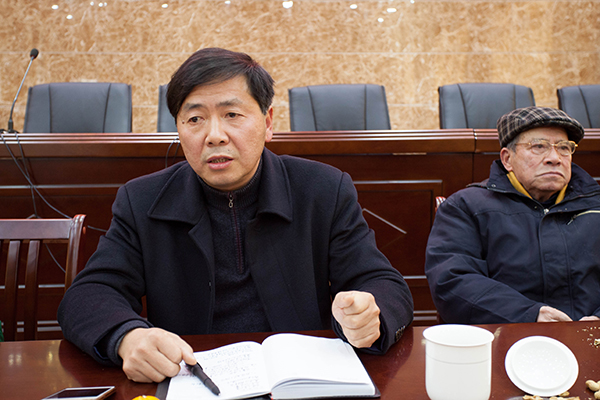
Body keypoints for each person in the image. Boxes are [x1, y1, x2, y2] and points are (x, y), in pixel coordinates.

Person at [58, 47, 414, 383]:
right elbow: (88, 295)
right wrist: (127, 336)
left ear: (267, 122)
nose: (215, 136)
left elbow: (383, 283)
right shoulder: (142, 201)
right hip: (191, 380)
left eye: (232, 115)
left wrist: (369, 314)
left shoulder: (322, 189)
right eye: (195, 119)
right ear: (178, 129)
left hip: (300, 381)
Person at [425, 106, 600, 324]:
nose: (555, 158)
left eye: (564, 147)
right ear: (507, 159)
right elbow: (452, 282)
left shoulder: (595, 205)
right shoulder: (466, 207)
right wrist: (529, 315)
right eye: (539, 146)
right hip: (506, 335)